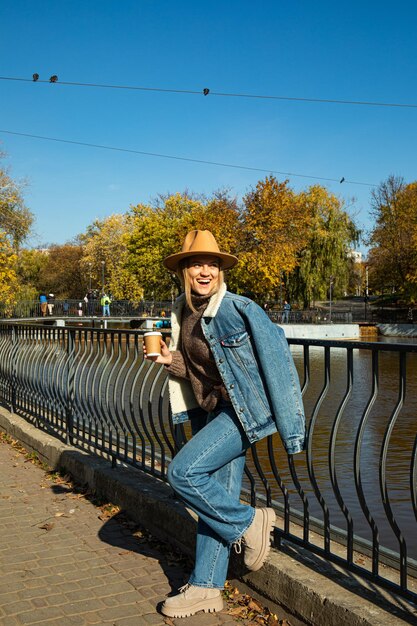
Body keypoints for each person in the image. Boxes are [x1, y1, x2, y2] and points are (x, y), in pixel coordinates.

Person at [143, 230, 305, 619]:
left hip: (242, 411)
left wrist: (292, 429)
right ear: (183, 270)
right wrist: (171, 360)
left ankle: (250, 523)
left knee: (183, 473)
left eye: (212, 264)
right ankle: (206, 587)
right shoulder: (183, 310)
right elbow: (203, 372)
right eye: (196, 263)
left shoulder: (238, 308)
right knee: (217, 497)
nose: (205, 271)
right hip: (213, 409)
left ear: (219, 270)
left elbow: (277, 358)